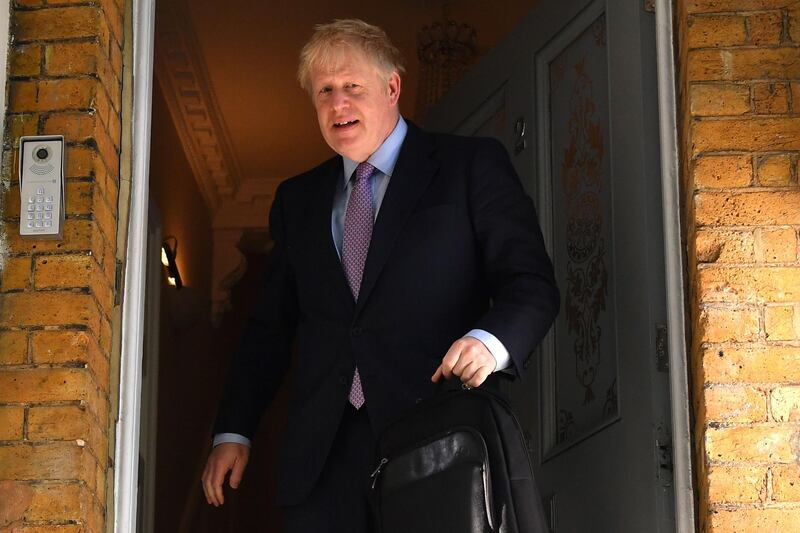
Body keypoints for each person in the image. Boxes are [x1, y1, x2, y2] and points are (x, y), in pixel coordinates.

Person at [201, 18, 559, 533]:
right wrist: (232, 431)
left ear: (392, 88)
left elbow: (531, 284)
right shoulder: (297, 201)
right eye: (324, 91)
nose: (337, 104)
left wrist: (490, 342)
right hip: (322, 463)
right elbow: (268, 331)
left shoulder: (469, 166)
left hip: (440, 440)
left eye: (352, 87)